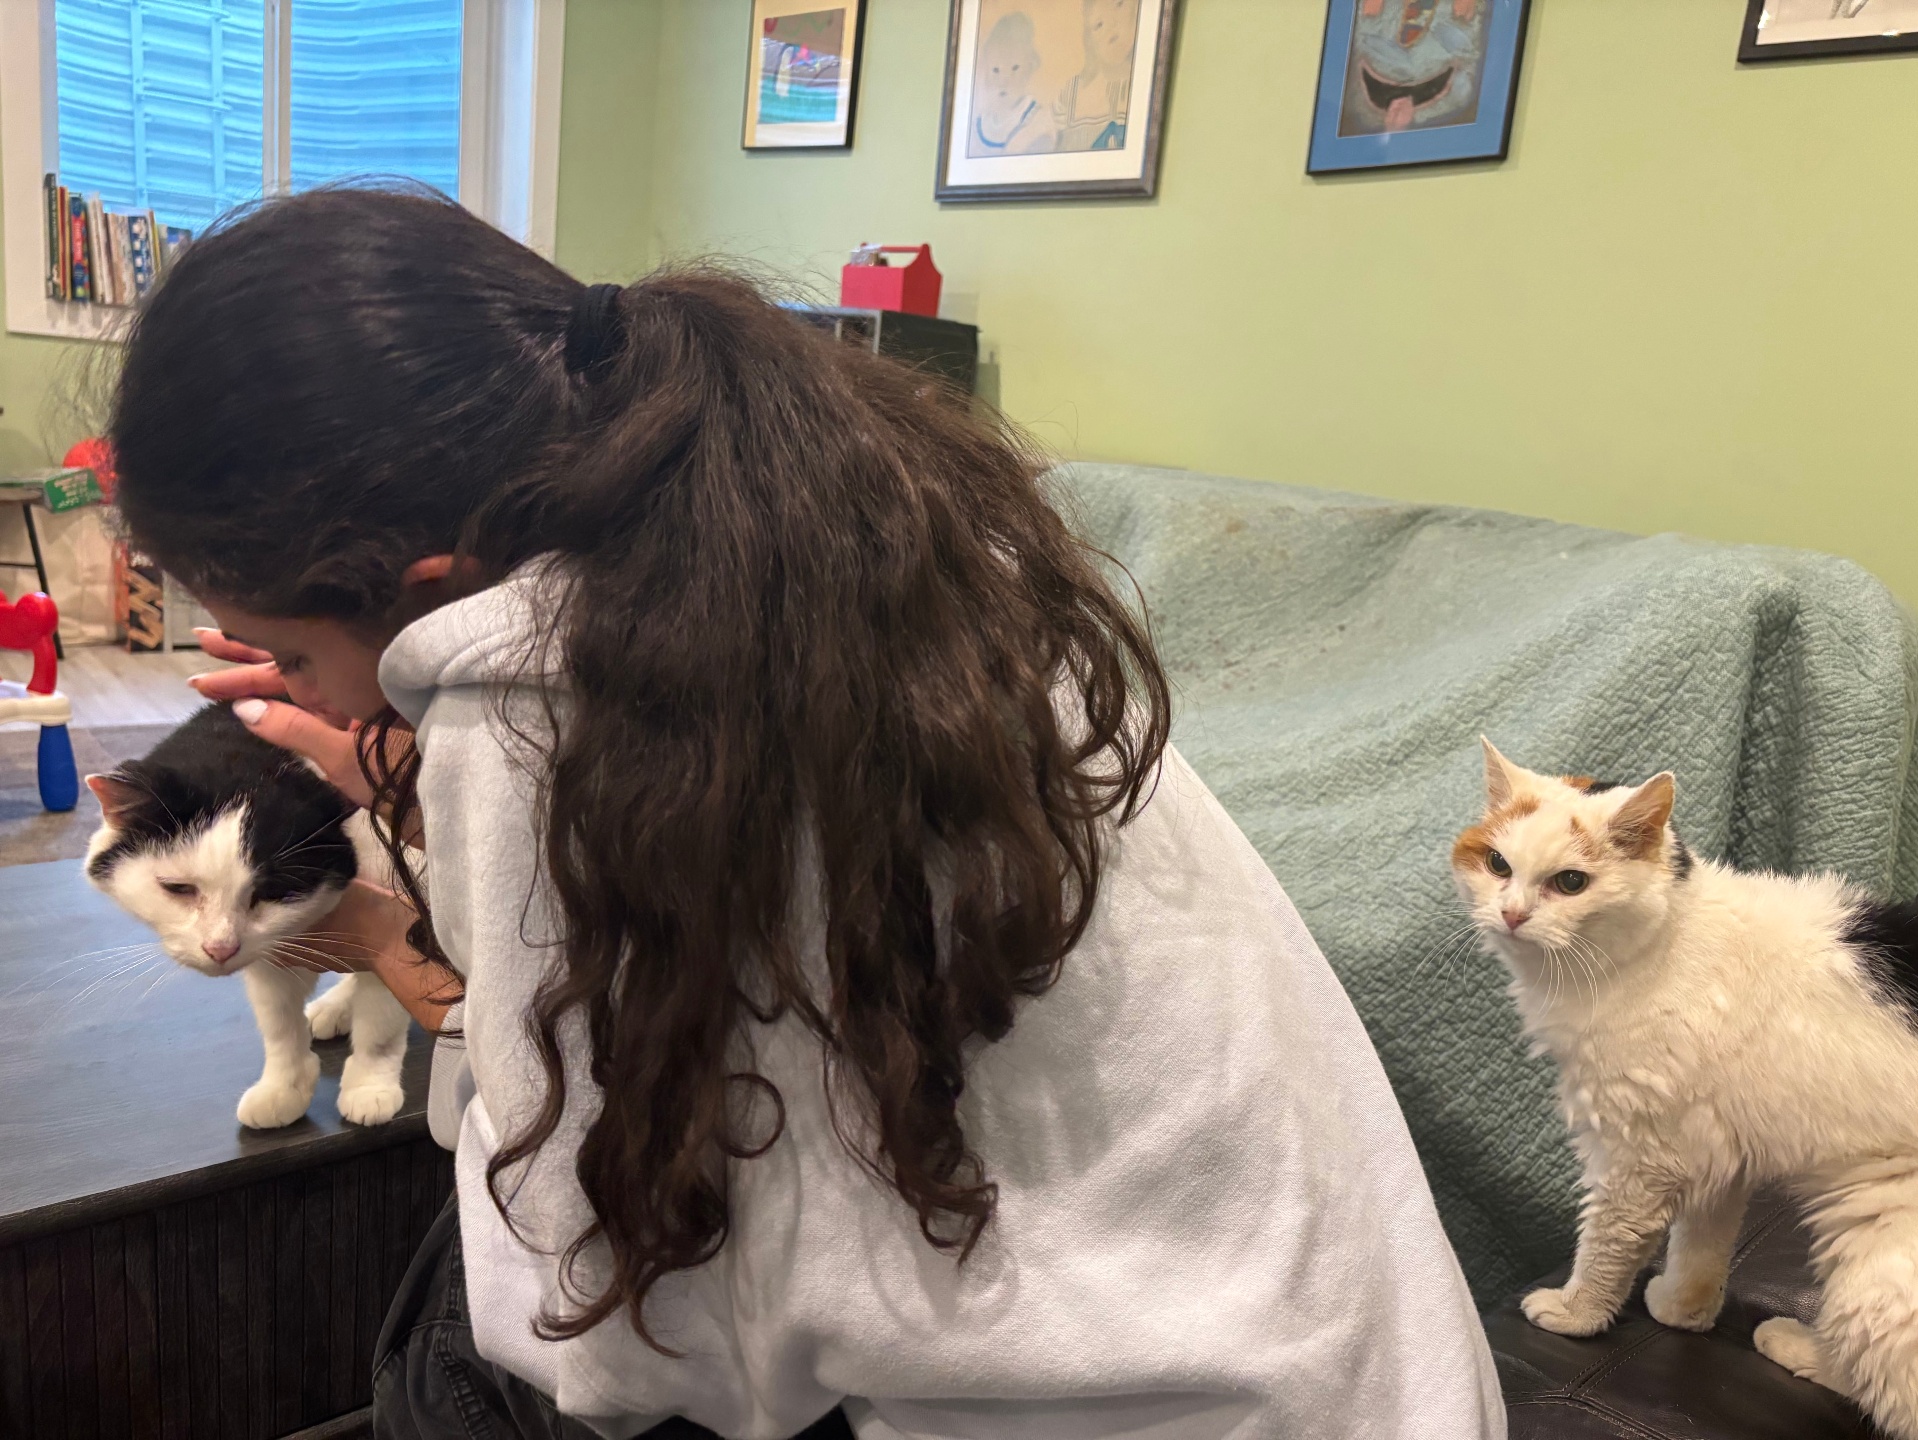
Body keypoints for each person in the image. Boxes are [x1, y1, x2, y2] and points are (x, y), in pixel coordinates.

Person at [110, 185, 1503, 1440]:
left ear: (426, 584)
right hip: (1381, 1377)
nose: (292, 695)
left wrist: (412, 926)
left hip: (1167, 1401)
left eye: (286, 655)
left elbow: (613, 1345)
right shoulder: (893, 532)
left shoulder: (533, 709)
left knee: (452, 1340)